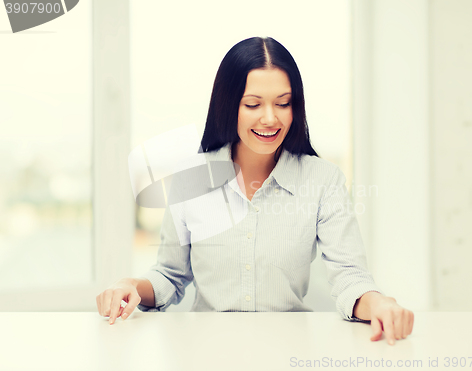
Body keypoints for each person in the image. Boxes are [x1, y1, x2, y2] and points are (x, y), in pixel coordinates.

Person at [96, 36, 414, 345]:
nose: (270, 118)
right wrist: (131, 284)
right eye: (253, 104)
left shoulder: (323, 180)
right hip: (205, 352)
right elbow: (170, 274)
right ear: (229, 105)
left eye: (283, 103)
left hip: (289, 350)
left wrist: (380, 304)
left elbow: (350, 278)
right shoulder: (191, 178)